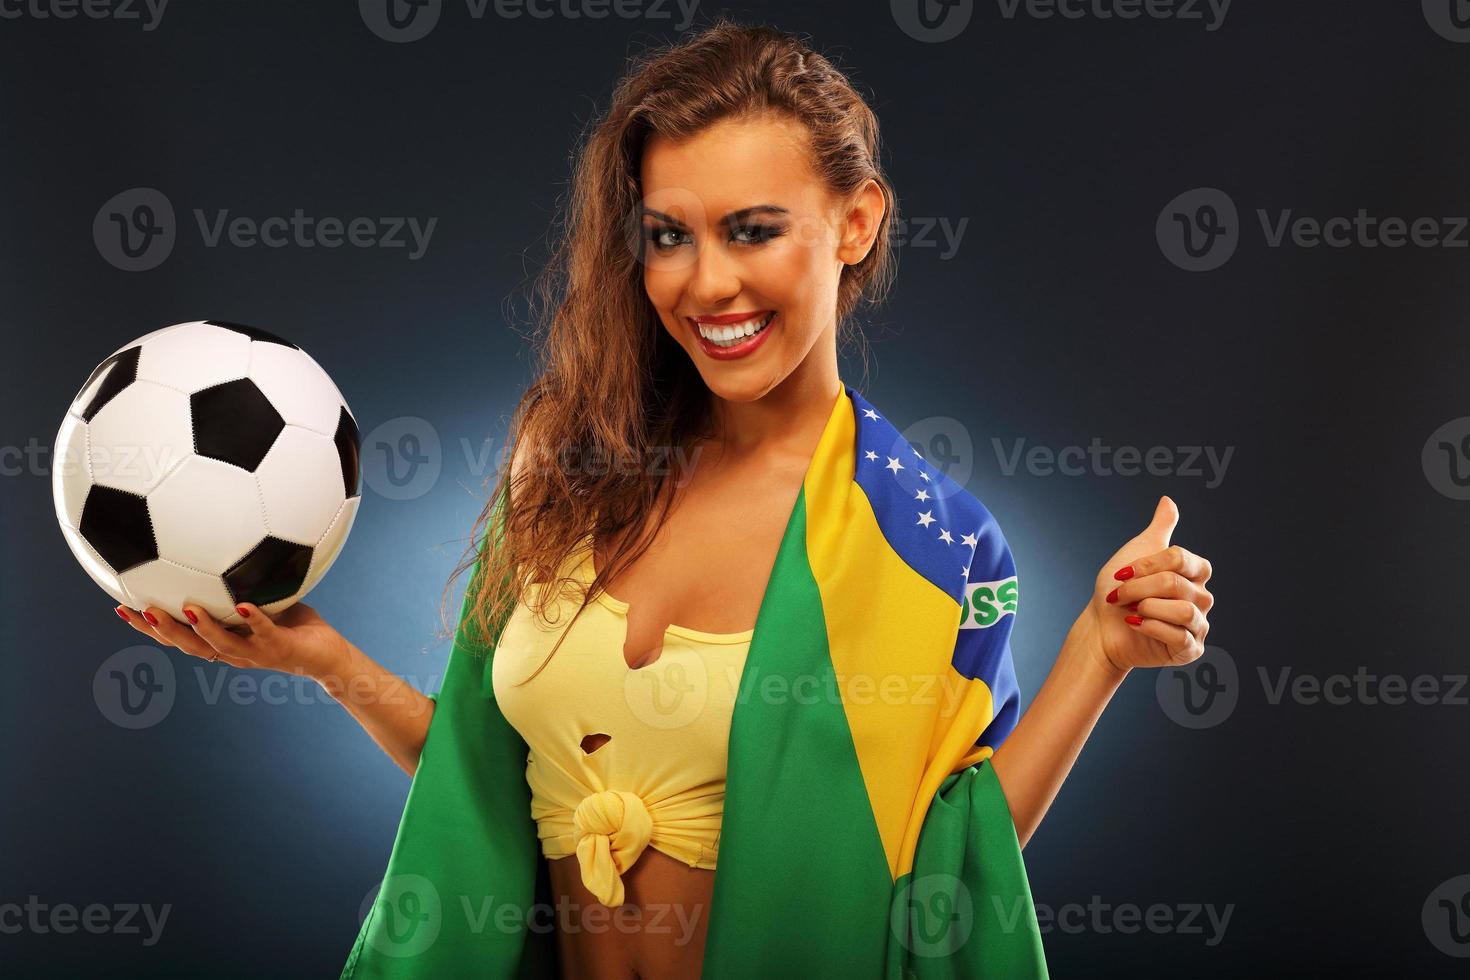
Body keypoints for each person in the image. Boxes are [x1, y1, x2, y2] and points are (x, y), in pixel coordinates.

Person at [116, 19, 1214, 980]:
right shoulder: (569, 468)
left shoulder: (927, 541)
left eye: (753, 229)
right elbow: (489, 779)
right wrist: (325, 660)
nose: (706, 283)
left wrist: (1099, 655)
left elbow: (944, 867)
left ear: (856, 222)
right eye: (668, 234)